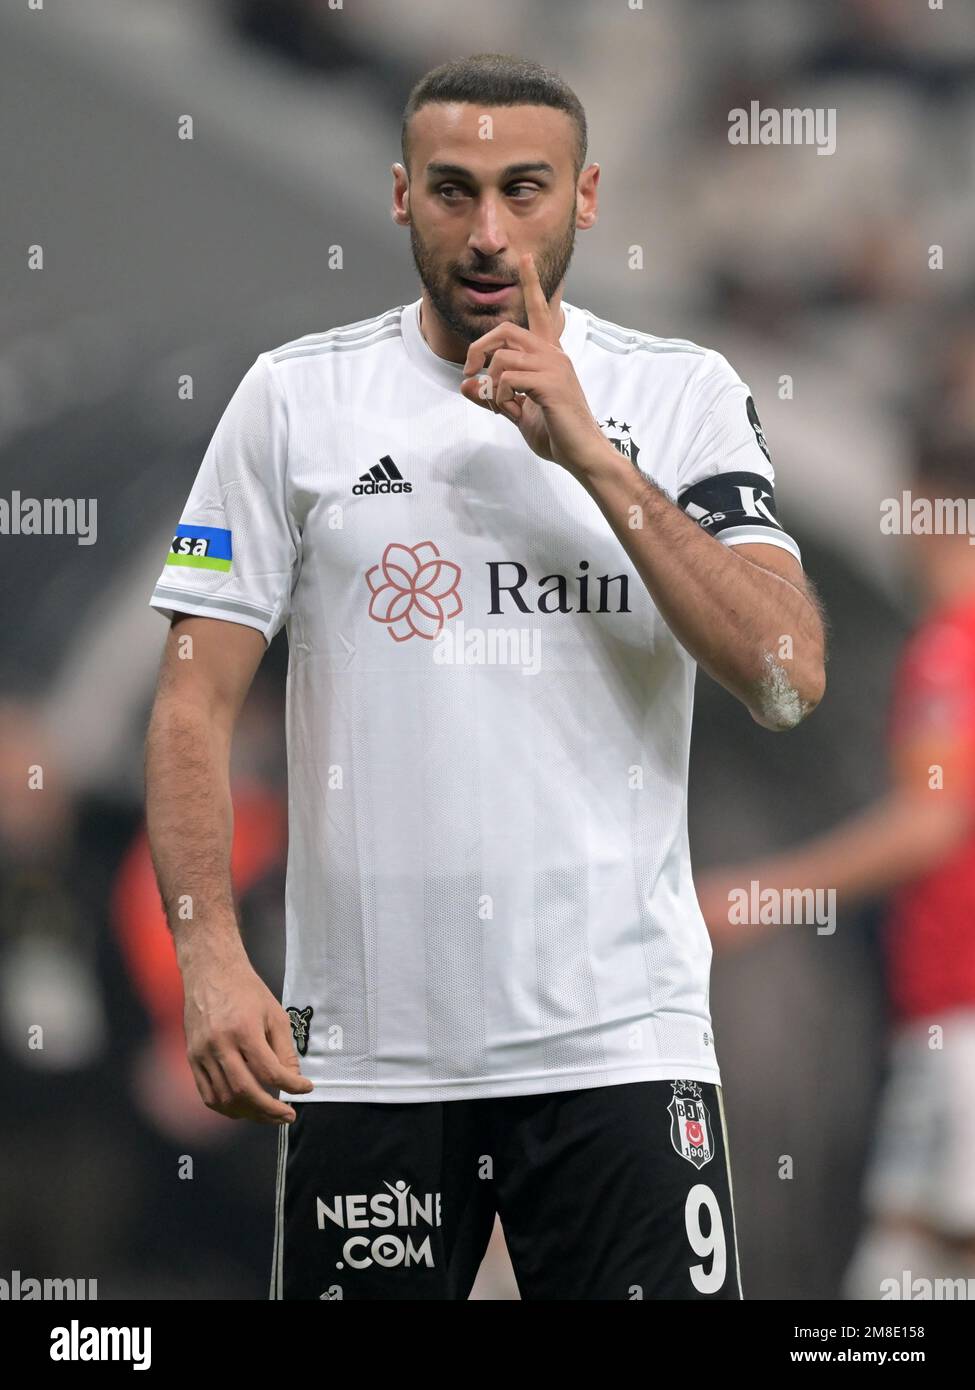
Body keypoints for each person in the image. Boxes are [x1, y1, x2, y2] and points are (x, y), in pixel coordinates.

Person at [144, 52, 826, 1301]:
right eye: (454, 192)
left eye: (525, 189)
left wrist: (599, 464)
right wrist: (209, 957)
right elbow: (191, 701)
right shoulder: (294, 402)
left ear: (588, 196)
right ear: (402, 196)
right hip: (369, 1063)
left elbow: (786, 679)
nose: (489, 232)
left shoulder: (679, 397)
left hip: (620, 1042)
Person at [697, 433, 975, 1299]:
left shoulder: (951, 646)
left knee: (912, 1260)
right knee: (911, 1261)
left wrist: (761, 895)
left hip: (961, 1013)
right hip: (941, 1017)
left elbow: (930, 821)